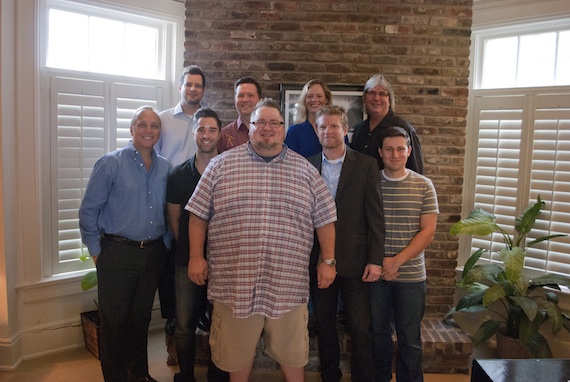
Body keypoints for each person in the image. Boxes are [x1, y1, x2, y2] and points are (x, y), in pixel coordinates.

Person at [187, 98, 338, 382]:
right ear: (250, 126)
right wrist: (196, 257)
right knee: (236, 355)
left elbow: (326, 219)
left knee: (293, 356)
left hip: (287, 285)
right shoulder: (220, 166)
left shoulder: (305, 171)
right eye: (260, 122)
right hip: (235, 285)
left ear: (283, 129)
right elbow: (197, 216)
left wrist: (328, 261)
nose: (267, 129)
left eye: (274, 123)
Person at [78, 106, 171, 382]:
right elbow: (88, 212)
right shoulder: (110, 163)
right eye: (142, 124)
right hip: (116, 254)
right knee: (114, 324)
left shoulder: (165, 167)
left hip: (152, 254)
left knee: (140, 320)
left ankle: (139, 375)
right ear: (131, 129)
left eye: (154, 126)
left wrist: (164, 244)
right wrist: (97, 254)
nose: (148, 130)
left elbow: (168, 211)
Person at [307, 105, 385, 382]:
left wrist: (376, 260)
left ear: (345, 130)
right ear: (317, 131)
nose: (328, 131)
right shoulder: (307, 164)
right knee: (324, 325)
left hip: (357, 260)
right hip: (318, 260)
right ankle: (331, 375)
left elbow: (376, 217)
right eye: (323, 127)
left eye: (334, 126)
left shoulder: (366, 165)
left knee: (360, 327)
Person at [371, 126, 439, 382]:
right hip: (376, 275)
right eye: (389, 149)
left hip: (410, 278)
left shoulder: (424, 185)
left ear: (409, 152)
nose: (395, 154)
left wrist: (395, 262)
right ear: (381, 152)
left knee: (410, 339)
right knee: (378, 336)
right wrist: (381, 265)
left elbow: (427, 233)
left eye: (400, 149)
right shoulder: (371, 182)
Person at [166, 108, 229, 382]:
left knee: (222, 323)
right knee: (183, 325)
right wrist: (194, 253)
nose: (206, 135)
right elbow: (175, 220)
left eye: (212, 129)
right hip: (186, 262)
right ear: (194, 133)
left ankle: (218, 375)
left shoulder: (230, 172)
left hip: (225, 262)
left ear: (220, 134)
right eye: (201, 129)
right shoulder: (178, 175)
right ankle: (187, 375)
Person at [157, 65, 207, 365]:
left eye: (198, 85)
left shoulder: (207, 120)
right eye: (188, 84)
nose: (192, 89)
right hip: (172, 202)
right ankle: (174, 337)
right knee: (174, 285)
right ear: (180, 87)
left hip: (203, 208)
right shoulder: (162, 120)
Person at [350, 74, 424, 174]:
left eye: (382, 94)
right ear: (364, 98)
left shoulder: (404, 129)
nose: (376, 98)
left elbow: (416, 172)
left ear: (390, 99)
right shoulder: (359, 129)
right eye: (372, 92)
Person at [285, 79, 333, 157]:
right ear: (304, 100)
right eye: (310, 96)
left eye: (319, 96)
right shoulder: (294, 132)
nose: (314, 100)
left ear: (326, 100)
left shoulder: (337, 129)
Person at [217, 76, 262, 153]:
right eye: (241, 96)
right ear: (235, 100)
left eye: (250, 95)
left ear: (260, 100)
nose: (245, 100)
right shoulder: (224, 135)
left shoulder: (269, 132)